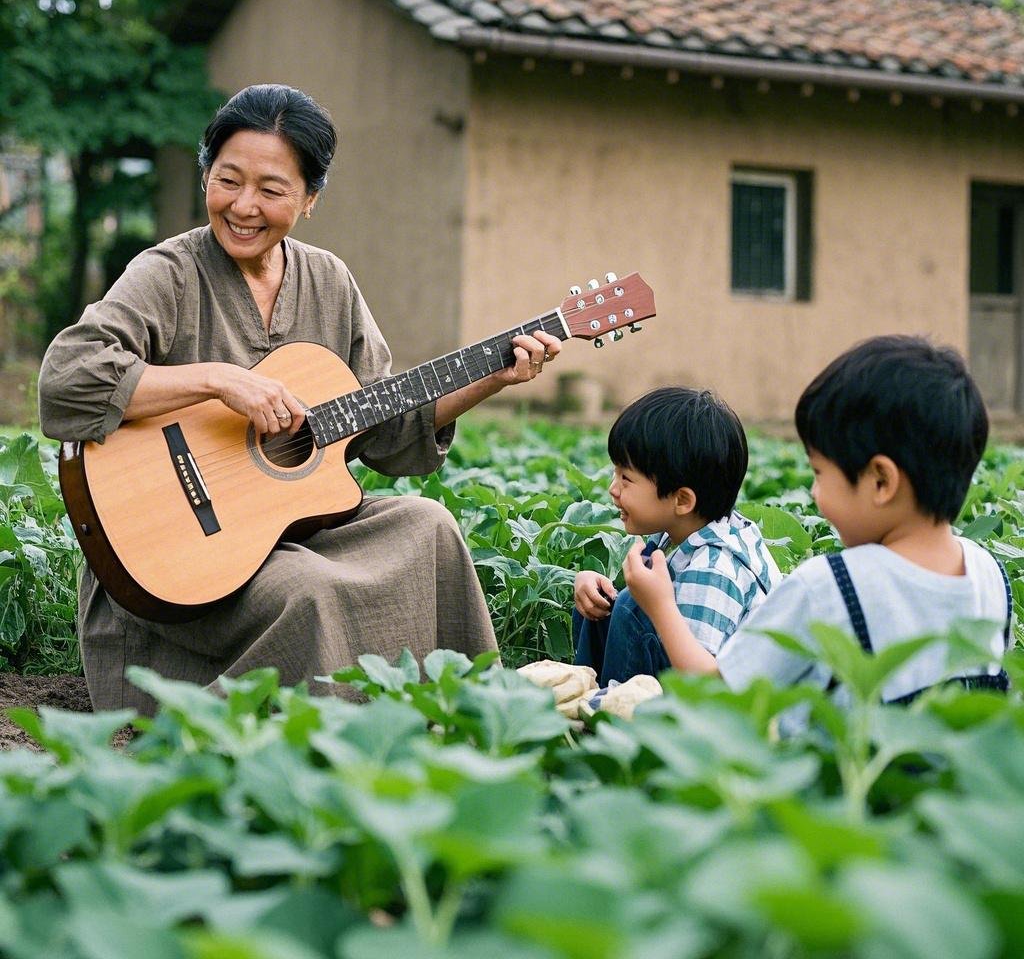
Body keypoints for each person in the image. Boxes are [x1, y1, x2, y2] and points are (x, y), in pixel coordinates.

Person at [37, 83, 562, 715]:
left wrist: (490, 377)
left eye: (272, 190)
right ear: (206, 175)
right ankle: (314, 750)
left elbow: (384, 433)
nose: (243, 206)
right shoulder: (169, 272)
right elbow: (69, 377)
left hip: (282, 531)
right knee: (308, 589)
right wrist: (218, 380)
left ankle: (465, 716)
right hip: (173, 563)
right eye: (227, 180)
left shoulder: (328, 281)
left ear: (310, 198)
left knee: (431, 527)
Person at [626, 336, 1011, 726]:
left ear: (881, 481)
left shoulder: (829, 587)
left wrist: (660, 606)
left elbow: (718, 694)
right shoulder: (989, 572)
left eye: (820, 473)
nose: (815, 492)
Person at [572, 386, 783, 687]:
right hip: (679, 678)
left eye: (626, 478)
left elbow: (705, 683)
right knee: (599, 605)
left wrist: (657, 606)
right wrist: (591, 583)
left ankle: (609, 718)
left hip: (719, 709)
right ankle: (594, 696)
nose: (613, 488)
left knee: (632, 605)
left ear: (682, 500)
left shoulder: (714, 568)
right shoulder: (675, 532)